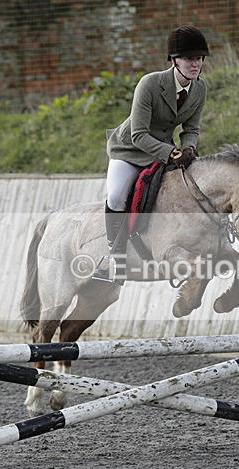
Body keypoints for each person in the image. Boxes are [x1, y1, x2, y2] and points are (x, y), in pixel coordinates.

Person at [91, 25, 210, 285]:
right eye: (190, 58)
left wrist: (189, 148)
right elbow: (138, 134)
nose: (196, 64)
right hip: (130, 150)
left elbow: (192, 128)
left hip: (163, 152)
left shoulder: (200, 89)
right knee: (116, 195)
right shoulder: (150, 84)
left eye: (200, 58)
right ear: (174, 60)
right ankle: (115, 258)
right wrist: (170, 152)